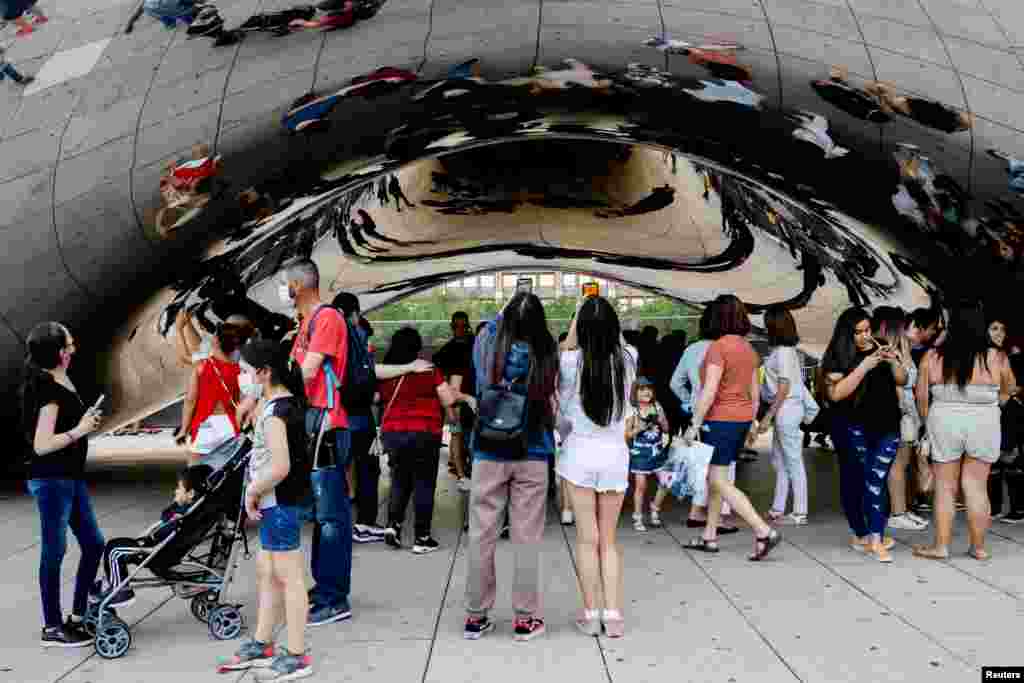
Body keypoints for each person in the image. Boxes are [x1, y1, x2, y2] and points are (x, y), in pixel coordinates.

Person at [464, 292, 558, 642]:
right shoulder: (547, 349)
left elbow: (492, 323)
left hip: (489, 449)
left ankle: (476, 616)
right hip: (532, 450)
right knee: (526, 537)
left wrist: (502, 312)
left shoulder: (488, 342)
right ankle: (525, 618)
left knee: (482, 534)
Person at [217, 340, 314, 680]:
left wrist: (252, 492)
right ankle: (262, 642)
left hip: (278, 503)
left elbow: (280, 466)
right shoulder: (280, 405)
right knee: (271, 575)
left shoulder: (276, 412)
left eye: (246, 370)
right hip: (278, 504)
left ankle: (298, 654)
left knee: (289, 579)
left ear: (264, 372)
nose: (243, 377)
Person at [19, 322, 105, 647]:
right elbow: (41, 445)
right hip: (52, 479)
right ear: (56, 352)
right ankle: (52, 627)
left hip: (69, 476)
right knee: (55, 551)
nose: (73, 348)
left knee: (94, 544)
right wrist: (79, 431)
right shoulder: (47, 389)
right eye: (68, 344)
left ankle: (79, 616)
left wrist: (83, 426)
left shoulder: (60, 378)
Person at [557, 296, 637, 638]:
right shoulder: (629, 359)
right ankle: (614, 615)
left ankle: (591, 614)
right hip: (615, 455)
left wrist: (578, 314)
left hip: (579, 455)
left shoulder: (570, 362)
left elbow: (568, 344)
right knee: (609, 540)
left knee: (587, 540)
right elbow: (621, 344)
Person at [281, 259, 354, 627]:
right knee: (320, 514)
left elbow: (306, 371)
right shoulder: (306, 324)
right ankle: (323, 586)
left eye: (287, 284)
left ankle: (335, 597)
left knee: (331, 517)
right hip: (313, 424)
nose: (285, 291)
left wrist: (274, 390)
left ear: (299, 284)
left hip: (327, 424)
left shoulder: (327, 319)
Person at [913, 304, 1015, 561]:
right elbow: (1009, 389)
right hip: (984, 419)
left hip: (944, 418)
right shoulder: (997, 357)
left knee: (945, 487)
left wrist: (927, 424)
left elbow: (922, 397)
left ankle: (941, 547)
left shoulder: (932, 357)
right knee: (977, 486)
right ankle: (979, 548)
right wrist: (994, 403)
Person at [683, 295, 781, 560]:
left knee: (717, 480)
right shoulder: (748, 350)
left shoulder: (718, 348)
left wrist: (694, 424)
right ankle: (709, 536)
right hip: (739, 420)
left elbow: (709, 391)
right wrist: (751, 422)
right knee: (718, 479)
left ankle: (763, 531)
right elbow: (754, 394)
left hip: (719, 420)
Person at [822, 307, 907, 562]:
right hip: (854, 427)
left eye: (867, 330)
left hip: (888, 426)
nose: (864, 336)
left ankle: (876, 538)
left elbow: (902, 380)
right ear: (846, 334)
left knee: (876, 481)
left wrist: (894, 360)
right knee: (857, 481)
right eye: (858, 332)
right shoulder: (837, 357)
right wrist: (865, 366)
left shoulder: (881, 346)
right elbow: (836, 393)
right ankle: (864, 533)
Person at [379, 327, 470, 553]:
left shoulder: (388, 372)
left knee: (399, 480)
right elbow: (448, 398)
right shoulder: (429, 370)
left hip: (394, 432)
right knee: (424, 484)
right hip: (424, 432)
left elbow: (377, 396)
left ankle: (393, 525)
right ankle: (422, 538)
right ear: (417, 347)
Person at [95, 465, 211, 609]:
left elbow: (164, 529)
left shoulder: (181, 515)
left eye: (179, 488)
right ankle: (113, 583)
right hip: (159, 548)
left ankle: (120, 592)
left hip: (157, 552)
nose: (175, 491)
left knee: (114, 550)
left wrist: (148, 537)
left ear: (191, 493)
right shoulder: (191, 512)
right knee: (114, 545)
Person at [670, 307, 738, 533]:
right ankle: (716, 519)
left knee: (701, 463)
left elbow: (675, 383)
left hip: (697, 415)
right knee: (723, 467)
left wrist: (689, 403)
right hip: (723, 414)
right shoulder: (728, 349)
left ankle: (695, 513)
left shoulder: (691, 349)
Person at [330, 292, 386, 544]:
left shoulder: (327, 335)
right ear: (355, 313)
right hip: (359, 418)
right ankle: (364, 524)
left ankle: (331, 523)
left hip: (333, 419)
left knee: (334, 470)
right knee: (368, 470)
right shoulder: (356, 336)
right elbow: (369, 373)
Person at [871, 307, 929, 532]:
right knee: (898, 464)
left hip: (908, 411)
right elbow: (897, 386)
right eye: (905, 325)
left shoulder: (901, 349)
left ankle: (901, 510)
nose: (908, 329)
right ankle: (897, 512)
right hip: (903, 412)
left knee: (900, 464)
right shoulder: (891, 351)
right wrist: (905, 412)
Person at [758, 306, 808, 526]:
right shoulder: (784, 351)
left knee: (792, 460)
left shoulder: (785, 353)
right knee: (781, 461)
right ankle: (778, 508)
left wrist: (769, 414)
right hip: (785, 409)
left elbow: (784, 385)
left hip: (785, 409)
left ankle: (799, 512)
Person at [175, 322, 247, 465]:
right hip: (230, 424)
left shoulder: (202, 367)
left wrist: (184, 429)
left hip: (206, 425)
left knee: (196, 471)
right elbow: (243, 402)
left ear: (216, 341)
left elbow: (190, 400)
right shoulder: (240, 371)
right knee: (226, 471)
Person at [433, 311, 476, 492]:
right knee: (457, 436)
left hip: (466, 403)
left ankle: (463, 472)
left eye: (462, 326)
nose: (460, 330)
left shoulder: (459, 346)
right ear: (452, 327)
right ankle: (461, 473)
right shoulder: (451, 348)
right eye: (456, 326)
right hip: (458, 404)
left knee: (462, 436)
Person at [626, 377, 669, 532]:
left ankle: (655, 507)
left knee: (666, 481)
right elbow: (627, 435)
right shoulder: (633, 410)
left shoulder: (657, 406)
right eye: (642, 389)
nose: (647, 392)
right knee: (641, 486)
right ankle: (637, 516)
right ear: (635, 392)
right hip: (641, 454)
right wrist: (639, 428)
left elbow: (665, 429)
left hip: (657, 451)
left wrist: (662, 420)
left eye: (649, 389)